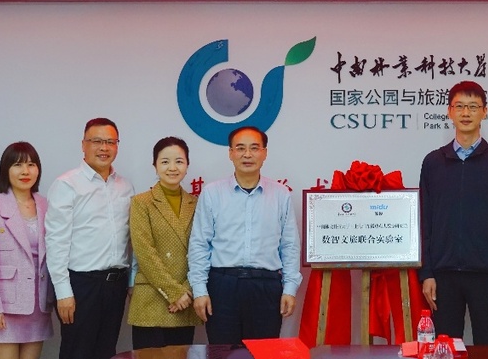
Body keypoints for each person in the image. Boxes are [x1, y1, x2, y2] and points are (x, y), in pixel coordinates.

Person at [418, 81, 488, 345]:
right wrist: (427, 273)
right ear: (449, 112)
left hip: (487, 276)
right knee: (445, 348)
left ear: (485, 111)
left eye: (473, 107)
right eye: (459, 106)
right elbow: (425, 222)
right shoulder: (433, 162)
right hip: (443, 276)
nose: (466, 113)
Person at [188, 126, 302, 345]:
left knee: (263, 352)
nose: (247, 154)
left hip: (266, 287)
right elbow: (200, 244)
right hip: (222, 286)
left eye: (254, 148)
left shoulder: (280, 194)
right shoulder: (212, 193)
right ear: (230, 153)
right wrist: (200, 290)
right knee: (223, 353)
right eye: (240, 148)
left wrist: (289, 289)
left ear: (264, 153)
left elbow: (289, 245)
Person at [45, 118, 135, 359]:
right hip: (81, 286)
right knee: (78, 352)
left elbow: (131, 240)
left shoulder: (125, 187)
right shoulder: (67, 184)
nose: (104, 148)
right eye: (97, 141)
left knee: (107, 352)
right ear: (83, 145)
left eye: (110, 142)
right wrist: (63, 292)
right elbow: (56, 242)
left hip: (116, 284)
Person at [0, 142, 53, 359]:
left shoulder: (47, 206)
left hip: (38, 306)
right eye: (17, 165)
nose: (25, 171)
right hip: (5, 306)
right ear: (6, 170)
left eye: (31, 164)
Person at [128, 137, 201, 348]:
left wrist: (186, 291)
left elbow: (202, 250)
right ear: (155, 165)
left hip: (185, 300)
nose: (172, 168)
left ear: (187, 165)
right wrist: (174, 292)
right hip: (152, 298)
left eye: (179, 161)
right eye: (165, 161)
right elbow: (144, 252)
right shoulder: (141, 202)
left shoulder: (197, 203)